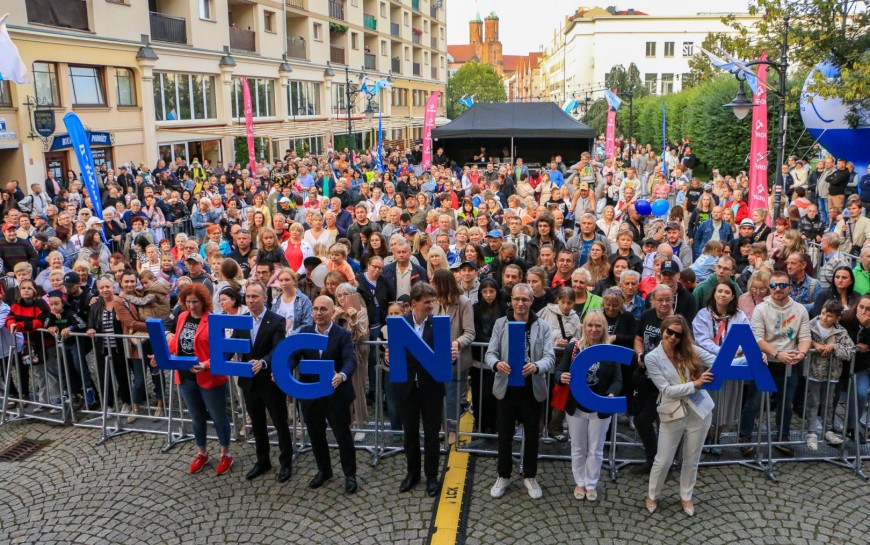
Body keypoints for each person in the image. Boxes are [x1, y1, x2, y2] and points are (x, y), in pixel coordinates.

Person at [486, 283, 556, 500]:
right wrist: (497, 364)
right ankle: (503, 475)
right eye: (517, 299)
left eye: (525, 299)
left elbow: (550, 357)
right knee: (505, 435)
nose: (520, 303)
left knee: (533, 436)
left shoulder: (542, 326)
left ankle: (530, 475)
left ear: (531, 301)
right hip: (506, 388)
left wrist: (537, 366)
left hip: (531, 389)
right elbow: (490, 353)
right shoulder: (501, 323)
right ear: (511, 300)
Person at [644, 315, 716, 517]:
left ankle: (686, 496)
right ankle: (652, 494)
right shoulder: (652, 358)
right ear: (662, 330)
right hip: (672, 412)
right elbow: (666, 390)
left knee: (692, 458)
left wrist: (754, 356)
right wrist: (696, 384)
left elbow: (720, 361)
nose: (673, 337)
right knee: (664, 459)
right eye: (670, 332)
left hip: (699, 412)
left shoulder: (689, 350)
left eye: (678, 334)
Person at [162, 283, 234, 475]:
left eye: (195, 302)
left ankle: (225, 453)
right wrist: (163, 354)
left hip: (209, 378)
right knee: (196, 418)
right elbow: (177, 340)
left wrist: (206, 365)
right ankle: (202, 452)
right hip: (186, 377)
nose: (191, 305)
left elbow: (222, 351)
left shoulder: (212, 320)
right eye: (188, 301)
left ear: (203, 302)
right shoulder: (183, 316)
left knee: (219, 417)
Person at [739, 270, 811, 456]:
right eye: (773, 285)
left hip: (790, 363)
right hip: (764, 361)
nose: (777, 289)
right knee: (754, 402)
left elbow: (804, 337)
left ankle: (782, 436)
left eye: (781, 285)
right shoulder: (761, 309)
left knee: (786, 403)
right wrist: (777, 353)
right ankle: (745, 436)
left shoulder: (800, 310)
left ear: (789, 287)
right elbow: (757, 338)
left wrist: (802, 354)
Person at [231, 282, 295, 483]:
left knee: (279, 422)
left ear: (264, 298)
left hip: (270, 381)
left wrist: (264, 362)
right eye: (248, 297)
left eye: (255, 297)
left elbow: (278, 348)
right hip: (249, 382)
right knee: (257, 423)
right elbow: (232, 346)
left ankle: (286, 462)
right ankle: (263, 460)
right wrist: (210, 362)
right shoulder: (241, 321)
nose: (250, 300)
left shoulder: (276, 321)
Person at [556, 311, 622, 501]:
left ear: (604, 329)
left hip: (600, 406)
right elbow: (559, 370)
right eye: (590, 325)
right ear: (583, 327)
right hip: (576, 407)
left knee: (596, 448)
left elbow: (618, 380)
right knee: (578, 447)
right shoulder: (573, 348)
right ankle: (580, 482)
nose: (594, 329)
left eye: (598, 325)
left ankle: (591, 483)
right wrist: (561, 377)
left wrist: (612, 394)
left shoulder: (611, 350)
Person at [390, 283, 445, 497]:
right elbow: (394, 357)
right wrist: (389, 356)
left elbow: (443, 358)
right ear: (414, 303)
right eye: (427, 302)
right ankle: (412, 473)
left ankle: (432, 476)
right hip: (407, 388)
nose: (431, 305)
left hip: (431, 387)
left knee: (432, 434)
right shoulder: (400, 325)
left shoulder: (438, 325)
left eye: (433, 301)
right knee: (410, 433)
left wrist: (451, 355)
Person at [806, 300, 854, 449]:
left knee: (828, 403)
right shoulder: (810, 326)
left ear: (837, 318)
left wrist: (834, 346)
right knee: (813, 402)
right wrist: (814, 344)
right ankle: (811, 432)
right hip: (813, 371)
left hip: (832, 373)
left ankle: (827, 430)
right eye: (823, 313)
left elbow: (850, 351)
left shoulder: (841, 332)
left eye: (829, 315)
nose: (824, 317)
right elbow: (801, 340)